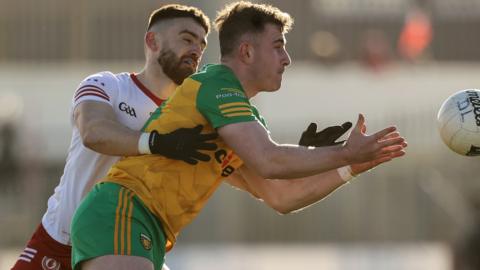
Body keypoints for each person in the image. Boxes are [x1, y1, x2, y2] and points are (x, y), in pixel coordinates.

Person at [71, 2, 408, 270]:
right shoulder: (217, 84)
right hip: (123, 212)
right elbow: (269, 159)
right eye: (278, 46)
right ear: (246, 52)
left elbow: (281, 196)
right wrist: (345, 153)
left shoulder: (238, 115)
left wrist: (350, 168)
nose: (286, 59)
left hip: (149, 229)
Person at [11, 4, 216, 270]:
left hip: (129, 246)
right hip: (62, 242)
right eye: (187, 39)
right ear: (152, 41)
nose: (196, 50)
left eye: (201, 44)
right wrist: (157, 142)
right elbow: (94, 132)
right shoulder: (107, 85)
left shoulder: (190, 115)